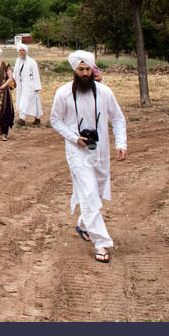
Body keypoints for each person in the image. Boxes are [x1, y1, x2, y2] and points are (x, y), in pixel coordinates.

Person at [50, 50, 127, 264]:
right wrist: (74, 138)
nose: (84, 73)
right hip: (76, 151)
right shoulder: (63, 93)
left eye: (87, 69)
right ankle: (101, 242)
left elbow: (118, 119)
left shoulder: (104, 92)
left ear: (93, 70)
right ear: (74, 70)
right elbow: (55, 121)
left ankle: (84, 224)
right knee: (89, 191)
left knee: (97, 190)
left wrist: (121, 144)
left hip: (100, 150)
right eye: (80, 69)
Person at [13, 43, 43, 126]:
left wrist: (37, 86)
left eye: (23, 50)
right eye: (20, 50)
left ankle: (23, 119)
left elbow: (36, 74)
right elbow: (15, 73)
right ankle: (35, 118)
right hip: (21, 85)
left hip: (30, 85)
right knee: (22, 100)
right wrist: (14, 83)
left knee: (29, 102)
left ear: (26, 51)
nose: (22, 52)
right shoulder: (18, 61)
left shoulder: (31, 62)